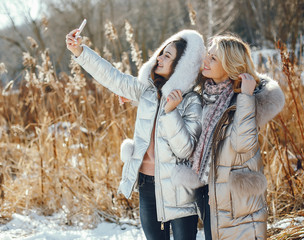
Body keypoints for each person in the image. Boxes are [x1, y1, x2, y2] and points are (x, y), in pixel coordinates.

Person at [66, 29, 205, 240]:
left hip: (178, 189)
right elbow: (112, 77)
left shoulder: (191, 101)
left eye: (167, 56)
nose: (159, 58)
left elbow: (184, 149)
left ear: (182, 65)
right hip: (146, 184)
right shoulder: (146, 92)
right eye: (161, 53)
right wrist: (80, 51)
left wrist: (170, 112)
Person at [172, 34, 285, 239]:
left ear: (230, 65)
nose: (205, 60)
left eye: (213, 58)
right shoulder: (200, 94)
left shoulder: (244, 99)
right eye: (208, 55)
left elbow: (243, 145)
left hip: (232, 197)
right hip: (205, 188)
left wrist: (246, 98)